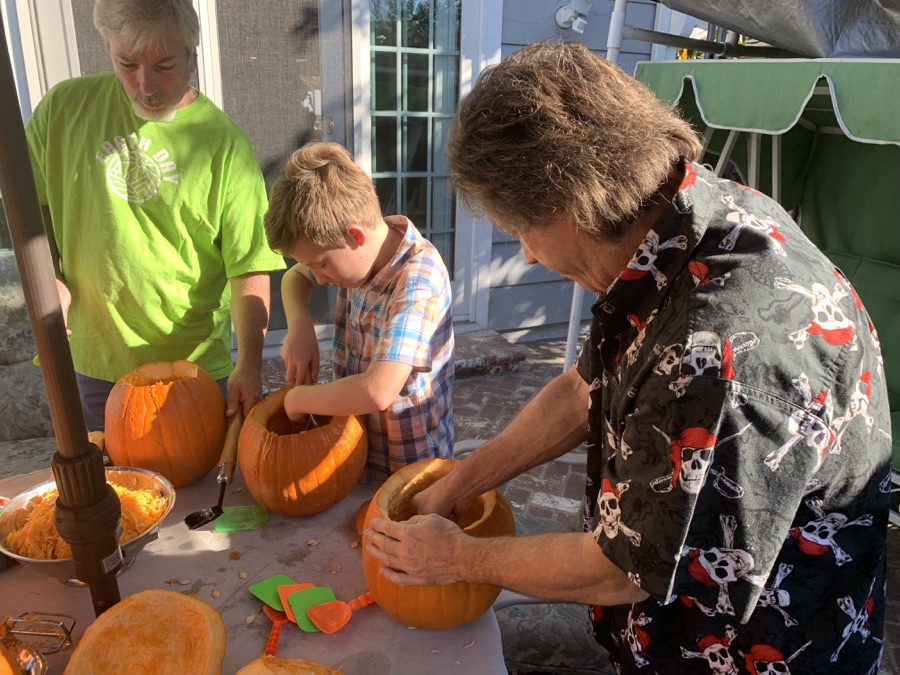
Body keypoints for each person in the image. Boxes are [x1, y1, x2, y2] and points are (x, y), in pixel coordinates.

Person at [365, 41, 891, 673]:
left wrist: (456, 560)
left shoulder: (718, 350)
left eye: (522, 232)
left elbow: (624, 568)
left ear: (571, 207)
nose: (527, 257)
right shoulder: (681, 225)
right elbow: (581, 389)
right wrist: (463, 480)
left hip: (754, 652)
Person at [24, 0, 285, 430]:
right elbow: (31, 208)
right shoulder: (62, 110)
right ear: (107, 47)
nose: (145, 85)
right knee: (111, 490)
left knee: (194, 491)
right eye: (127, 63)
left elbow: (250, 268)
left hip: (192, 370)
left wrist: (250, 366)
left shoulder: (225, 145)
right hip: (94, 357)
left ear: (192, 58)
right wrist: (47, 273)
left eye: (164, 65)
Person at [264, 141, 454, 485]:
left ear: (354, 236)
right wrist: (300, 326)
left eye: (321, 265)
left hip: (411, 473)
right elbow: (295, 278)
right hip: (359, 452)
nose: (318, 277)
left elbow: (376, 391)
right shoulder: (356, 256)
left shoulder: (418, 278)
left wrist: (298, 400)